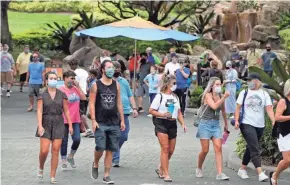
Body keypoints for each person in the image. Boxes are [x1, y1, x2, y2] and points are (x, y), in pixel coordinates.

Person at [89, 60, 125, 184]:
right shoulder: (96, 85)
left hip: (114, 121)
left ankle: (106, 175)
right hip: (100, 121)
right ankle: (95, 163)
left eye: (113, 68)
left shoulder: (117, 85)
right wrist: (93, 120)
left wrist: (122, 120)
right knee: (100, 146)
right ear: (103, 70)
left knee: (110, 148)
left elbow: (119, 103)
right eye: (109, 67)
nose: (111, 70)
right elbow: (92, 104)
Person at [234, 73, 275, 182]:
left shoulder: (264, 94)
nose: (248, 82)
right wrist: (237, 120)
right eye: (247, 80)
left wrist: (274, 121)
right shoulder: (244, 92)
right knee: (255, 147)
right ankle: (260, 173)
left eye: (250, 80)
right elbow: (237, 107)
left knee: (251, 147)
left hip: (260, 125)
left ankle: (242, 169)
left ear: (257, 81)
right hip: (246, 123)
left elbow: (269, 109)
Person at [36, 72, 73, 184]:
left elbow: (66, 110)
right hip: (46, 122)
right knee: (44, 150)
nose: (53, 80)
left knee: (56, 150)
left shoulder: (62, 94)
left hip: (58, 122)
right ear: (46, 80)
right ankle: (41, 167)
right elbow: (39, 110)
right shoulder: (42, 94)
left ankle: (53, 175)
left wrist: (70, 124)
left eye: (55, 78)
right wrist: (40, 125)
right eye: (51, 78)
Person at [149, 74, 187, 182]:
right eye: (173, 83)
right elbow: (151, 110)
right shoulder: (159, 96)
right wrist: (162, 114)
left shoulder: (175, 97)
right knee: (165, 148)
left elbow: (178, 112)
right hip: (161, 122)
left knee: (171, 150)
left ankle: (160, 166)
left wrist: (183, 124)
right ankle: (165, 173)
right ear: (167, 84)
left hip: (172, 123)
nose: (175, 85)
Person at [195, 77, 230, 180]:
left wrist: (226, 124)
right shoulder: (207, 95)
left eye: (220, 84)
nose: (219, 86)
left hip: (215, 125)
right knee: (205, 150)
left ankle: (220, 173)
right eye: (217, 85)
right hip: (205, 124)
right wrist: (224, 98)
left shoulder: (220, 96)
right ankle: (199, 168)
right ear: (212, 86)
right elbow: (214, 107)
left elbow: (223, 110)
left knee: (218, 148)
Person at [112, 61, 138, 167]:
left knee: (124, 136)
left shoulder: (124, 81)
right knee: (115, 135)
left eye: (118, 68)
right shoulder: (106, 82)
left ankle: (113, 150)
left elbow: (130, 95)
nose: (117, 70)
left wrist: (135, 108)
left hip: (126, 111)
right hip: (112, 112)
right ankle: (115, 158)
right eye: (114, 68)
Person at [59, 70, 86, 170]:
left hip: (75, 119)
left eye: (74, 78)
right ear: (65, 79)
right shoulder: (61, 90)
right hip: (64, 119)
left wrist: (78, 87)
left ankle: (71, 156)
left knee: (77, 139)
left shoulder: (75, 89)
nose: (73, 80)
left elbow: (83, 98)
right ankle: (64, 161)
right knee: (64, 141)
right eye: (71, 78)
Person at [270, 79, 290, 185]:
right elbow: (277, 117)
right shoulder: (283, 101)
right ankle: (275, 175)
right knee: (287, 160)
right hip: (284, 133)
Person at [68, 60, 91, 139]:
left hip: (79, 93)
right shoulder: (84, 72)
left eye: (70, 66)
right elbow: (88, 81)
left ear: (72, 65)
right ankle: (83, 129)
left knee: (81, 113)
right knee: (82, 111)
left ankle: (88, 129)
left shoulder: (75, 74)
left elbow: (73, 83)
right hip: (85, 92)